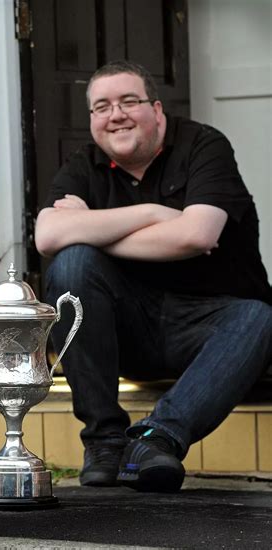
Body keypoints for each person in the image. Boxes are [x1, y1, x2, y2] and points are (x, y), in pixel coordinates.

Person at [35, 60, 272, 492]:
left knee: (259, 316)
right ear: (92, 119)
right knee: (71, 265)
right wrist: (150, 215)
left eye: (129, 101)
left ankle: (156, 438)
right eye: (102, 106)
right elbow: (48, 236)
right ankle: (105, 443)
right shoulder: (83, 164)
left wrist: (94, 227)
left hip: (212, 326)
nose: (116, 115)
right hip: (130, 331)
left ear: (157, 110)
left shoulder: (203, 144)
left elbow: (196, 234)